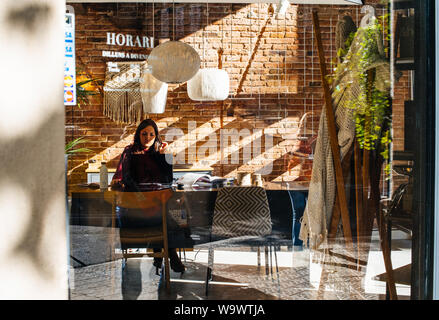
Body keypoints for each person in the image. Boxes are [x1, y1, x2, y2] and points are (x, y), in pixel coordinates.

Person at [111, 119, 185, 273]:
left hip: (155, 206)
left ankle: (159, 254)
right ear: (138, 135)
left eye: (152, 134)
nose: (148, 137)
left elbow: (167, 180)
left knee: (169, 209)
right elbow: (124, 179)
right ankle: (169, 254)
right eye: (144, 134)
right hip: (135, 208)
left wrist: (166, 156)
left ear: (156, 136)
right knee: (165, 213)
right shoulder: (129, 151)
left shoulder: (160, 151)